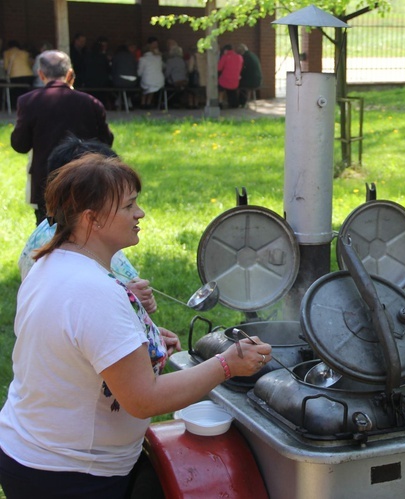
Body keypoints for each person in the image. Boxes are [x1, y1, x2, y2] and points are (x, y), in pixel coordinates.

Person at [0, 153, 273, 499]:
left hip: (34, 455)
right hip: (70, 476)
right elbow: (144, 399)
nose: (140, 213)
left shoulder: (52, 261)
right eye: (129, 206)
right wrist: (227, 365)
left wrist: (143, 339)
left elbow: (75, 341)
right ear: (92, 219)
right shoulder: (93, 292)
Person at [17, 134, 157, 311]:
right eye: (128, 205)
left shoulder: (82, 239)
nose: (140, 213)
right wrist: (125, 296)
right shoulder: (70, 256)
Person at [10, 50, 114, 224]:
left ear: (41, 74)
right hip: (86, 179)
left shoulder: (28, 101)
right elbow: (106, 142)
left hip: (47, 181)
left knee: (48, 234)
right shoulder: (91, 103)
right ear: (69, 74)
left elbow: (20, 145)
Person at [2, 40, 34, 108]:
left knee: (14, 91)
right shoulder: (25, 53)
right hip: (28, 75)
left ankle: (15, 106)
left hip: (14, 76)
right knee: (25, 90)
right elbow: (30, 64)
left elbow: (6, 66)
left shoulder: (7, 53)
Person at [137, 37, 164, 109]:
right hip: (159, 81)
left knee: (146, 83)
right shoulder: (159, 58)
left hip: (148, 81)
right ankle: (148, 102)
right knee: (152, 84)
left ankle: (143, 102)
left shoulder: (143, 59)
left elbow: (139, 73)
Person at [217, 43, 243, 109]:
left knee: (221, 88)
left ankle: (220, 103)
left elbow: (219, 68)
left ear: (225, 50)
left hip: (225, 80)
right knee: (232, 91)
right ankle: (234, 103)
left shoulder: (225, 57)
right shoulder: (239, 57)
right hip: (235, 80)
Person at [236, 43, 262, 107]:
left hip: (251, 81)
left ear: (241, 52)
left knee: (237, 85)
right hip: (258, 80)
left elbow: (242, 70)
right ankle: (245, 101)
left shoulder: (245, 57)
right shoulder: (253, 55)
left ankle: (241, 103)